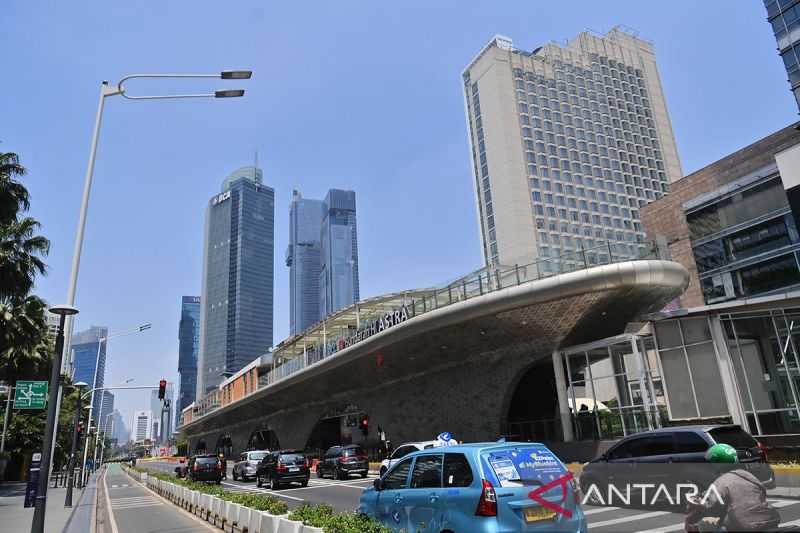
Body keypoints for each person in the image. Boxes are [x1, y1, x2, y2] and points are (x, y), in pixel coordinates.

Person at [685, 443, 780, 532]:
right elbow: (761, 492)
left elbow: (711, 506)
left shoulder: (721, 481)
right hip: (770, 520)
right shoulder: (749, 476)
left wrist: (698, 502)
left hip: (744, 526)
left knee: (703, 525)